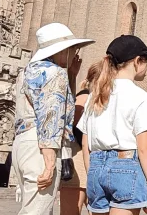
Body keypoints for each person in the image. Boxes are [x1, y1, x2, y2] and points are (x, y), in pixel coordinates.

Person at [12, 22, 94, 215]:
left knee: (31, 208)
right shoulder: (55, 73)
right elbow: (50, 119)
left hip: (23, 145)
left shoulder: (26, 72)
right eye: (73, 48)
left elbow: (63, 107)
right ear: (61, 50)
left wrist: (72, 76)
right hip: (41, 148)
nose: (75, 53)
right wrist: (49, 165)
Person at [79, 35, 147, 215]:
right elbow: (145, 148)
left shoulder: (95, 96)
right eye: (146, 60)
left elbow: (86, 144)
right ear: (137, 61)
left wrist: (91, 176)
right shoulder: (140, 97)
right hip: (125, 167)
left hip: (95, 166)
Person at [60, 61, 102, 215]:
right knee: (71, 211)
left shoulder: (87, 97)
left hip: (85, 161)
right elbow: (76, 128)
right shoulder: (84, 98)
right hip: (78, 160)